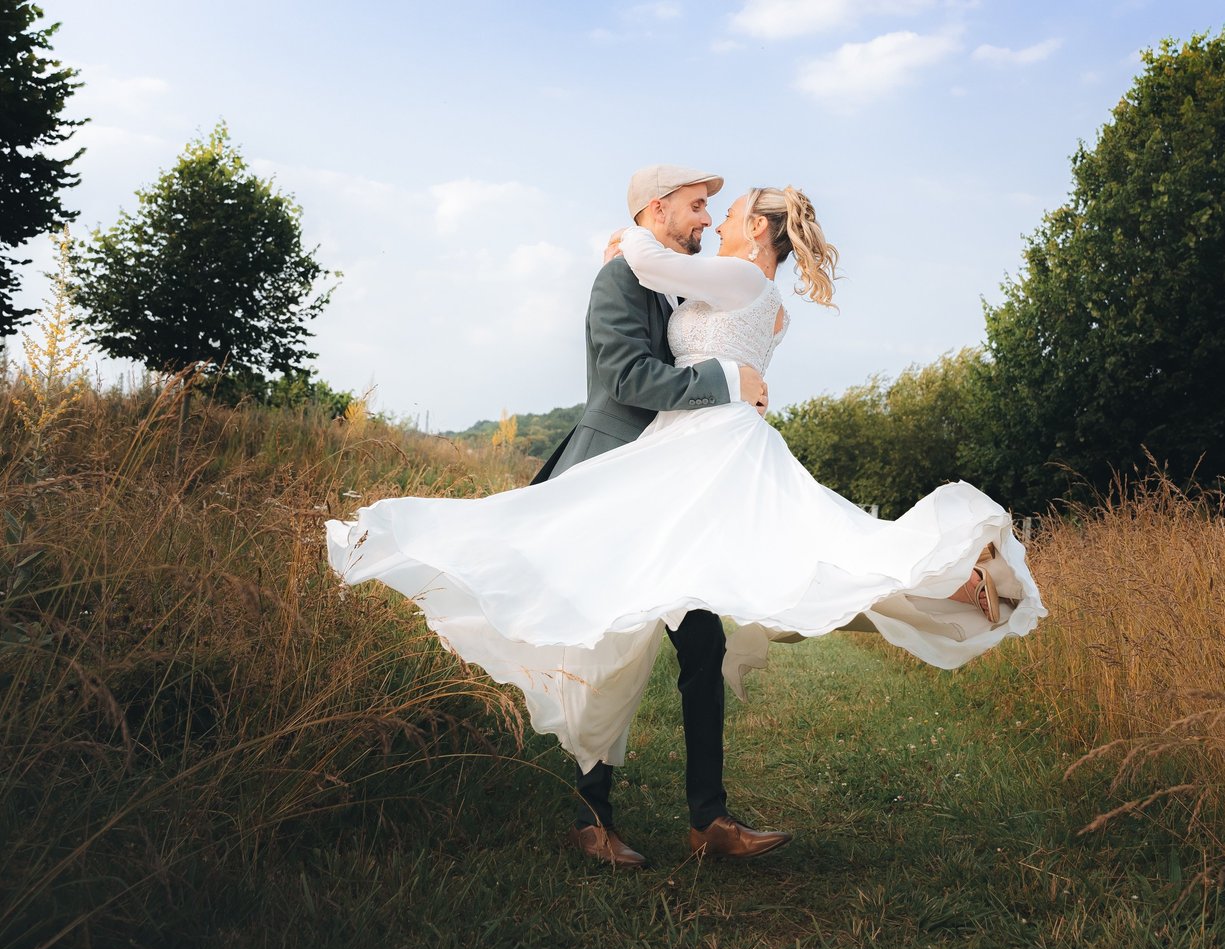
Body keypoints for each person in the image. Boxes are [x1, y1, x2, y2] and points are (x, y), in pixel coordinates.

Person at [326, 165, 1047, 870]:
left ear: (756, 227)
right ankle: (596, 817)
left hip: (687, 481)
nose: (709, 218)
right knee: (608, 640)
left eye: (719, 210)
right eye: (699, 206)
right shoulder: (627, 278)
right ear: (658, 208)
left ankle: (707, 819)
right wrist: (725, 371)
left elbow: (708, 323)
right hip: (623, 476)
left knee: (714, 629)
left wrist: (705, 338)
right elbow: (625, 378)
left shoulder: (704, 281)